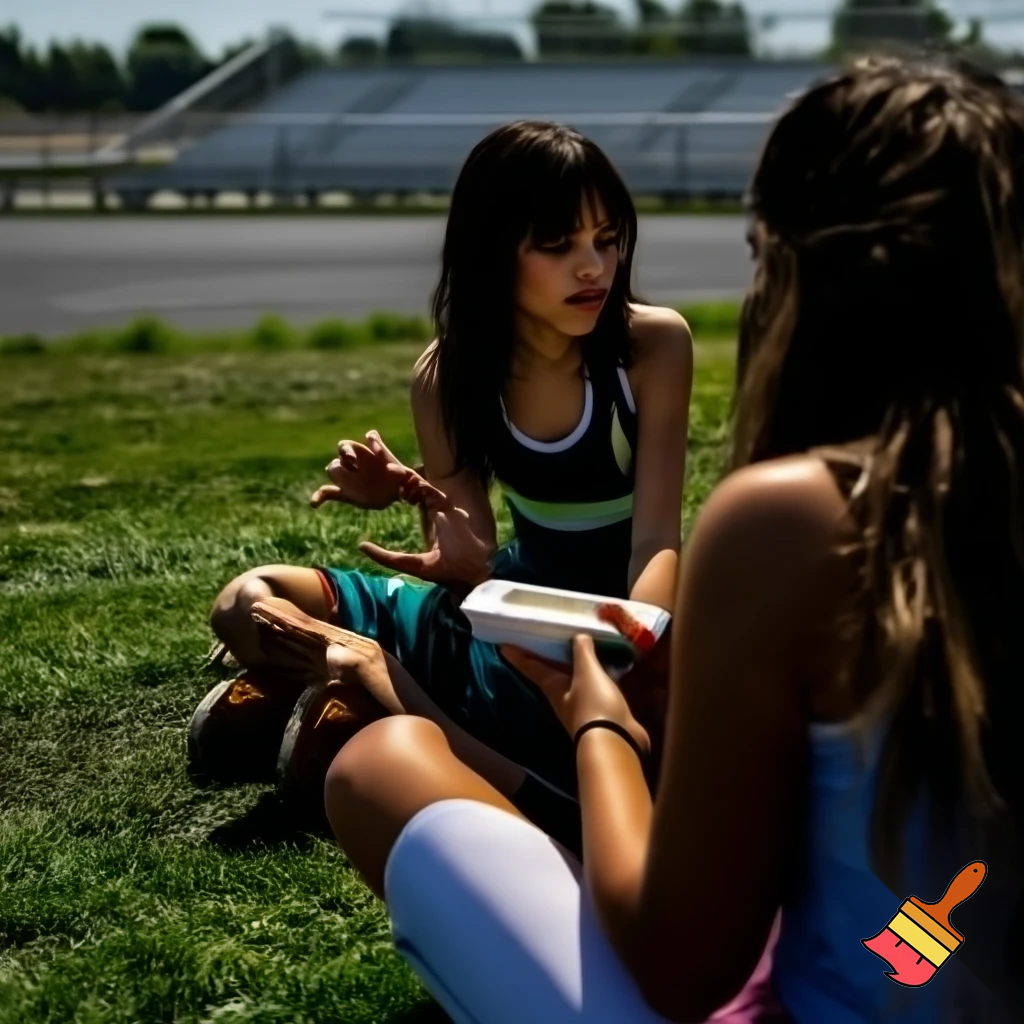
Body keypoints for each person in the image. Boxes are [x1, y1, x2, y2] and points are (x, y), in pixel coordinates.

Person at [320, 56, 1024, 1022]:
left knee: (377, 766)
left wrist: (599, 722)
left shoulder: (787, 521)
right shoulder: (453, 377)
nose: (596, 267)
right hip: (938, 946)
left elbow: (679, 965)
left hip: (805, 980)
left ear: (799, 270)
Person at [193, 120, 692, 814]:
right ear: (492, 250)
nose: (594, 268)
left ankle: (354, 694)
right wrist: (415, 502)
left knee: (608, 721)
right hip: (503, 612)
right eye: (559, 245)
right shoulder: (446, 376)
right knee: (245, 604)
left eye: (606, 241)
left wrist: (637, 637)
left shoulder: (652, 346)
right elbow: (471, 554)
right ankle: (354, 684)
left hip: (618, 623)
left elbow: (657, 537)